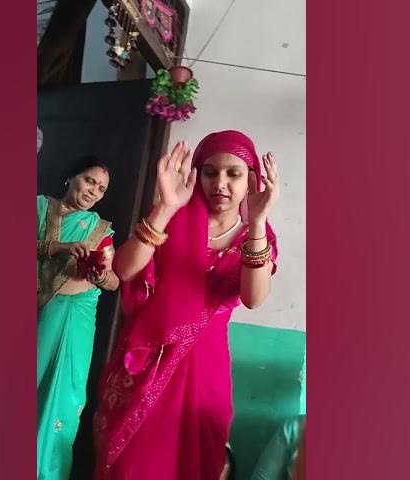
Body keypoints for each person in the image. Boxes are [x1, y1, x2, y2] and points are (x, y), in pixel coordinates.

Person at [93, 131, 281, 479]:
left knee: (193, 465)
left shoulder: (255, 236)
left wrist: (256, 222)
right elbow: (125, 270)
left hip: (206, 371)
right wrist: (165, 207)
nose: (220, 183)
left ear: (252, 179)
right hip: (150, 361)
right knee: (134, 465)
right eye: (210, 172)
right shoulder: (174, 218)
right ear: (197, 174)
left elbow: (253, 298)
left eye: (233, 173)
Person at [37, 156, 119, 480]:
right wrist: (59, 247)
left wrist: (100, 276)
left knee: (64, 400)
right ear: (71, 177)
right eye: (89, 181)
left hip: (76, 322)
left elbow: (114, 281)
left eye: (101, 189)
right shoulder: (39, 207)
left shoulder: (100, 230)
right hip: (38, 314)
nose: (93, 192)